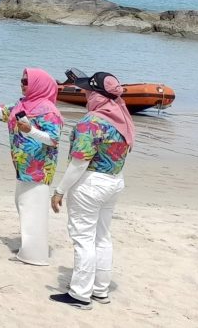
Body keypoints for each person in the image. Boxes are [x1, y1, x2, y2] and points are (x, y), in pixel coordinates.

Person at [48, 72, 134, 309]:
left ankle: (80, 294)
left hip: (90, 184)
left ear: (97, 94)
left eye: (88, 90)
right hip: (114, 181)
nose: (85, 93)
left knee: (83, 238)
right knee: (102, 237)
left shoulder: (91, 122)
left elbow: (79, 163)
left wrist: (59, 191)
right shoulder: (122, 117)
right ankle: (100, 289)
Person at [0, 68, 63, 266]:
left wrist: (31, 130)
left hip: (40, 167)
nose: (22, 84)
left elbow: (53, 139)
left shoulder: (49, 110)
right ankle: (29, 247)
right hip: (22, 165)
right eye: (22, 80)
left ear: (38, 85)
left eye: (26, 81)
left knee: (34, 208)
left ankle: (35, 255)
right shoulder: (23, 104)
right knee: (23, 205)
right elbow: (5, 114)